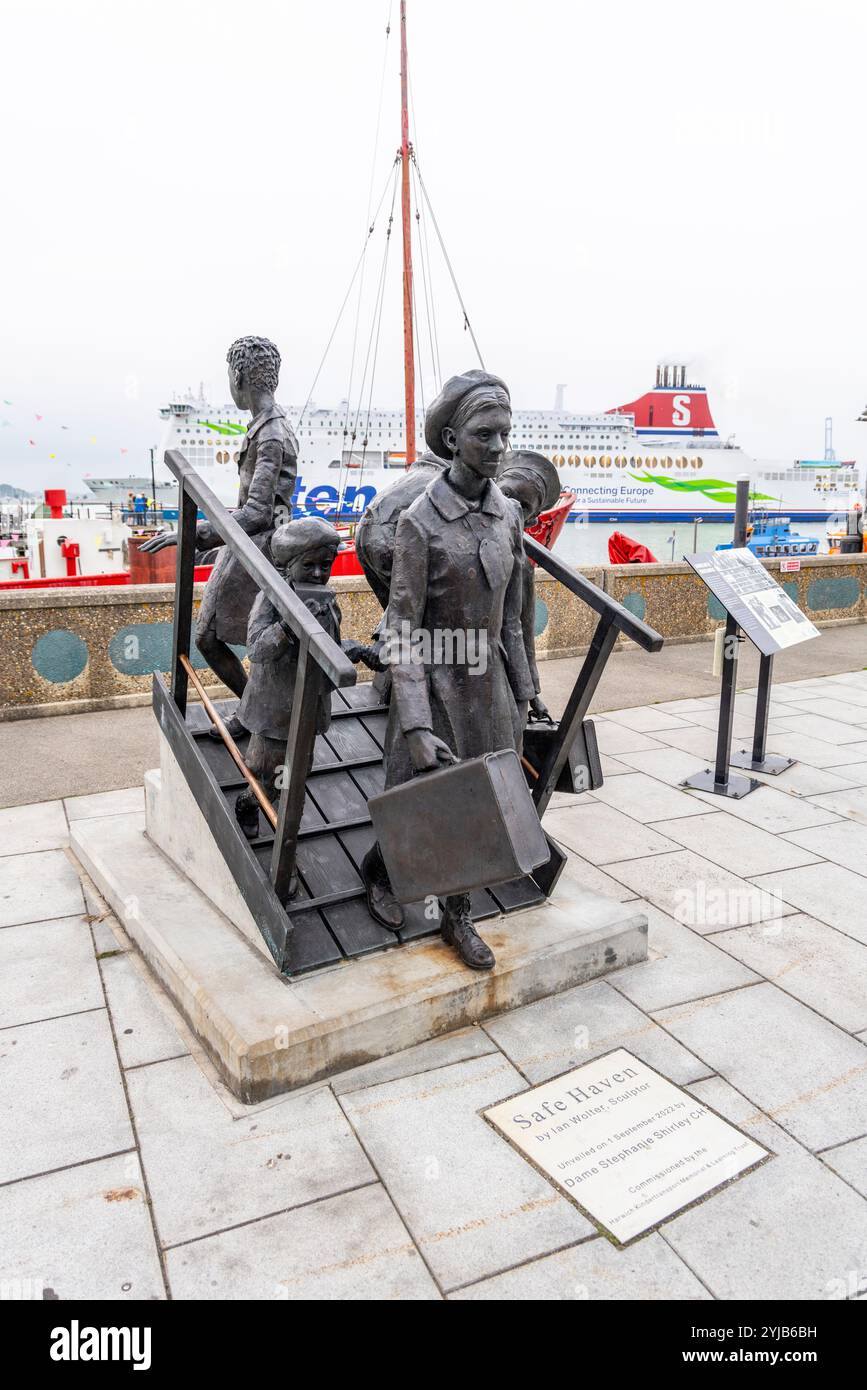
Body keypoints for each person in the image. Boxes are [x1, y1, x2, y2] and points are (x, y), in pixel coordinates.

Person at [363, 370, 535, 971]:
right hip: (434, 678)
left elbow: (513, 615)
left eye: (505, 436)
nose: (497, 448)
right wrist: (413, 721)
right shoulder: (419, 522)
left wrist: (525, 691)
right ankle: (380, 871)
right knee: (413, 791)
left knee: (476, 800)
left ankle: (457, 917)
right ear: (454, 437)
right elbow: (401, 628)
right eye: (484, 435)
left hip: (486, 681)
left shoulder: (509, 514)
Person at [142, 336, 298, 738]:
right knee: (227, 636)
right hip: (248, 545)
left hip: (256, 549)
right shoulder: (266, 427)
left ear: (239, 375)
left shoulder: (272, 435)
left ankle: (255, 715)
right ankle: (256, 712)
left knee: (210, 638)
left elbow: (258, 512)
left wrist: (194, 534)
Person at [234, 518, 382, 865]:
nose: (318, 574)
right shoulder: (273, 597)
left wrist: (358, 651)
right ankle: (249, 803)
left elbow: (328, 646)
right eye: (309, 566)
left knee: (299, 772)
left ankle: (287, 831)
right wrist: (289, 626)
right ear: (288, 565)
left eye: (325, 566)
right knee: (267, 773)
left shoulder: (327, 600)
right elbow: (255, 648)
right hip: (275, 707)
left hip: (309, 703)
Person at [496, 451, 561, 723]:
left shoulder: (520, 563)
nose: (511, 507)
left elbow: (521, 629)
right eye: (506, 494)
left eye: (522, 507)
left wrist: (531, 692)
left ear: (530, 520)